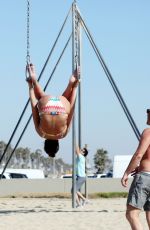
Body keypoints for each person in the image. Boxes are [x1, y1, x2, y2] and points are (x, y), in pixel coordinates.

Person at [26, 63, 80, 158]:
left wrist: (74, 88)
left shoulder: (63, 134)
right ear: (45, 144)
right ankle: (34, 80)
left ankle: (70, 84)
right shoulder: (41, 133)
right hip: (46, 105)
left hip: (62, 108)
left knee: (65, 101)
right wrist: (30, 86)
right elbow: (34, 108)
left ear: (57, 144)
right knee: (40, 98)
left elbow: (71, 111)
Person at [121, 108, 150, 230]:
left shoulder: (148, 132)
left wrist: (126, 173)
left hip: (145, 178)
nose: (146, 115)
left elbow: (138, 154)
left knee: (131, 214)